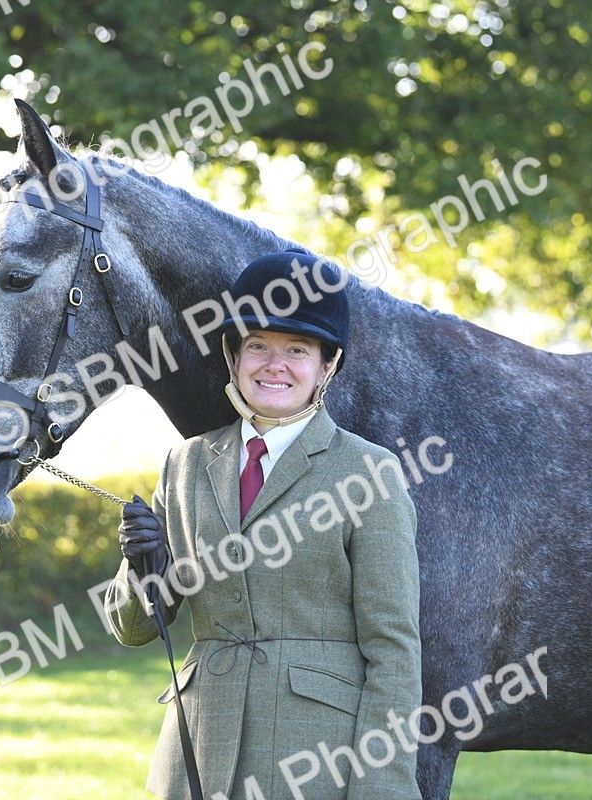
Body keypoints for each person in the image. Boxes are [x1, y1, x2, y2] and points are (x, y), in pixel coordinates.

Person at [104, 251, 422, 800]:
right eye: (258, 347)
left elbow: (393, 652)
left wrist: (381, 789)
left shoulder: (369, 472)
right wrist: (143, 570)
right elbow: (133, 628)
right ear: (233, 358)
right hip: (197, 754)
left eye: (297, 350)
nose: (275, 364)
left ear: (327, 365)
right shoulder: (185, 464)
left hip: (317, 759)